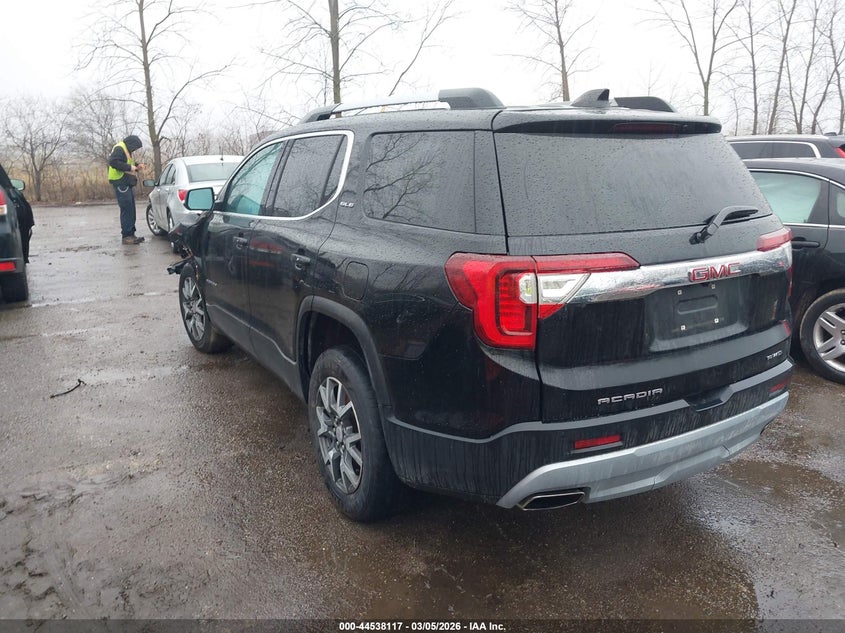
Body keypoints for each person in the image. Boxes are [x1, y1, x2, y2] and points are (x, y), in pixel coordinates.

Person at [108, 135, 146, 245]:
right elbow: (114, 162)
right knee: (127, 209)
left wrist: (137, 165)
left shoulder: (125, 149)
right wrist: (130, 168)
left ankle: (131, 234)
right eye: (135, 147)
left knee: (131, 208)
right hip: (120, 181)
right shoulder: (120, 148)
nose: (135, 149)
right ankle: (127, 236)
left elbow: (126, 162)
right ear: (131, 144)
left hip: (124, 182)